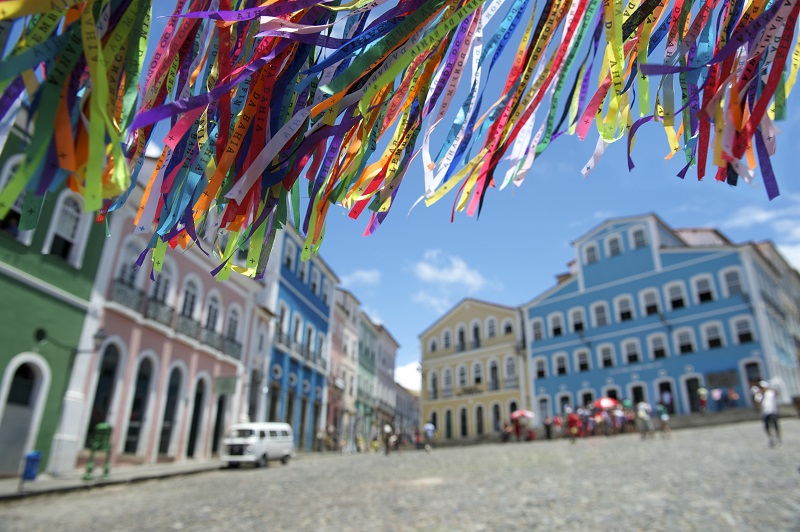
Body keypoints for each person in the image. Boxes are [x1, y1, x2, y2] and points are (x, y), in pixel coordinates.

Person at [755, 381, 781, 447]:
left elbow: (777, 393)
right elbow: (757, 404)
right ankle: (771, 438)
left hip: (772, 411)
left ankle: (778, 438)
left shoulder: (770, 393)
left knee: (775, 426)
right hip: (765, 413)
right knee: (767, 427)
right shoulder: (759, 395)